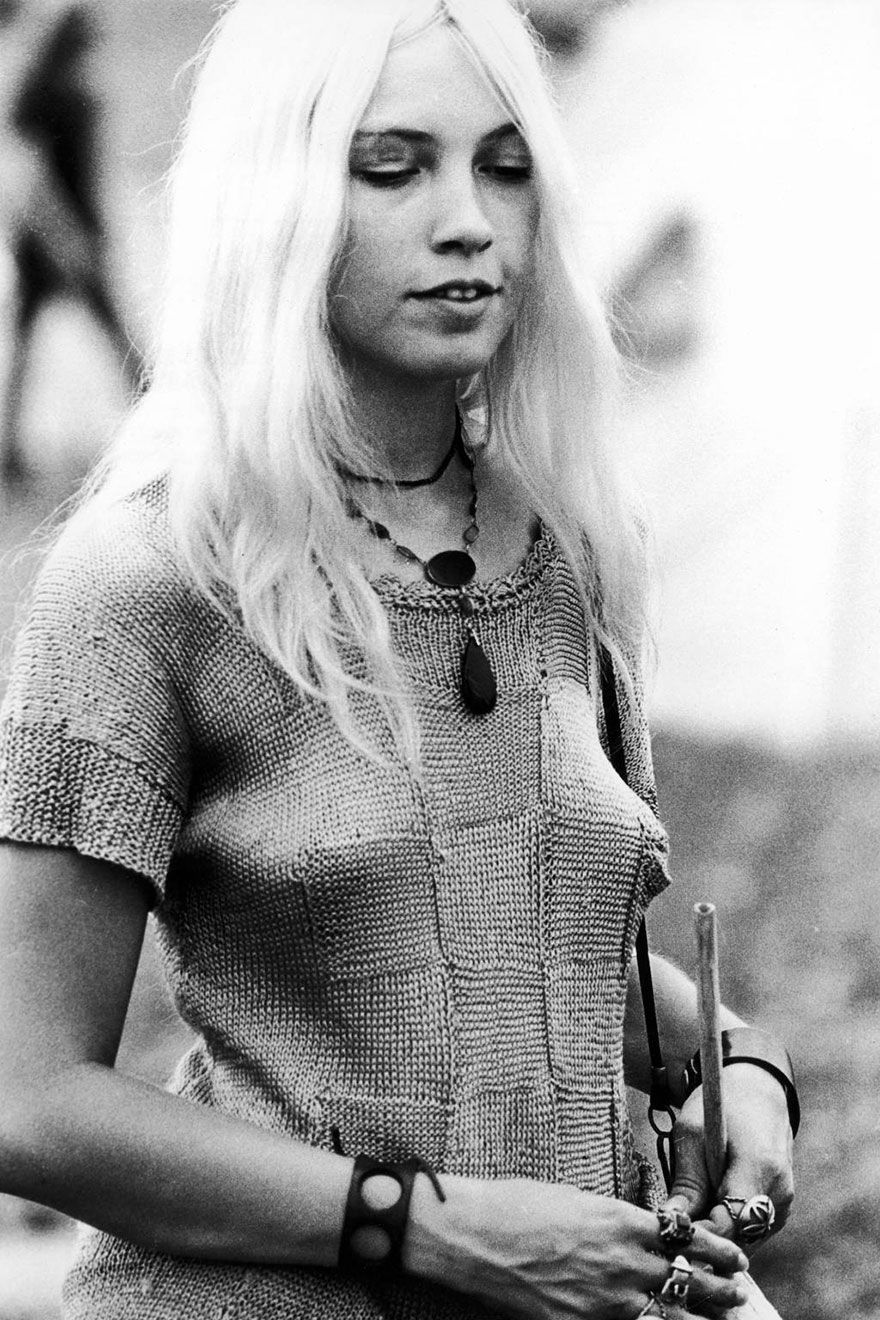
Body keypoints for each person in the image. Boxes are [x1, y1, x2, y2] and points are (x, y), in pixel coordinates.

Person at [0, 2, 796, 1317]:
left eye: (504, 164)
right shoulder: (150, 574)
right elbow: (26, 1098)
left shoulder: (574, 544)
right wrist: (427, 1229)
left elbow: (536, 942)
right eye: (392, 166)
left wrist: (738, 1064)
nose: (468, 218)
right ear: (280, 196)